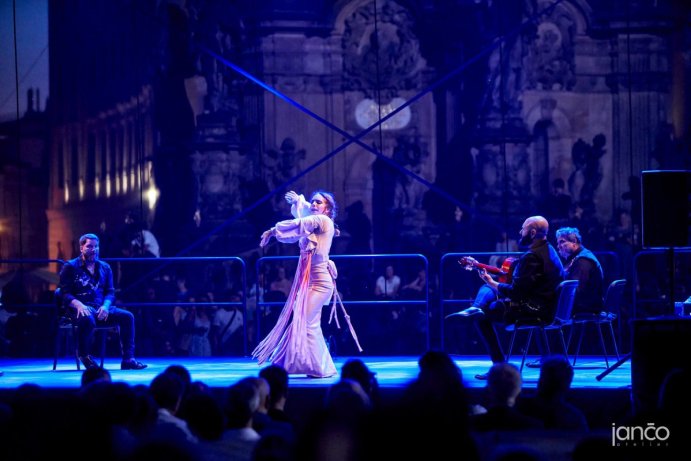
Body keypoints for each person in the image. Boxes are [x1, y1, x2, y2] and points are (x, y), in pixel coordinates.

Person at [252, 190, 361, 378]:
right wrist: (299, 202)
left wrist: (273, 230)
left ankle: (307, 367)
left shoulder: (323, 221)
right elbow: (305, 217)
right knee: (309, 324)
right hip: (310, 282)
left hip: (320, 284)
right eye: (313, 202)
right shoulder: (316, 223)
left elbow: (302, 222)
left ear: (327, 209)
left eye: (319, 203)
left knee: (305, 322)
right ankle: (316, 366)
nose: (314, 205)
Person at [448, 216, 564, 379]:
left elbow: (516, 293)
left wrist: (493, 282)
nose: (520, 232)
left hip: (533, 310)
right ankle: (475, 307)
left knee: (484, 316)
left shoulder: (531, 257)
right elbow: (527, 283)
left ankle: (499, 367)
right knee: (489, 291)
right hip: (545, 307)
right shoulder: (549, 251)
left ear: (532, 232)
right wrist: (492, 281)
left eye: (523, 229)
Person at [57, 233, 147, 370]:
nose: (94, 249)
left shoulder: (105, 267)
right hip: (79, 309)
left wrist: (105, 306)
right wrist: (78, 305)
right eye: (89, 246)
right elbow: (64, 293)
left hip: (100, 308)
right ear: (81, 248)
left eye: (96, 246)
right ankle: (84, 355)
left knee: (127, 317)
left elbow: (110, 292)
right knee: (88, 319)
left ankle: (128, 359)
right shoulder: (70, 267)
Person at [555, 227, 604, 315]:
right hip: (584, 304)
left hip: (586, 307)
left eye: (562, 242)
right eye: (558, 243)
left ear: (574, 241)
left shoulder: (582, 260)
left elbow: (576, 291)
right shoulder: (577, 257)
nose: (558, 246)